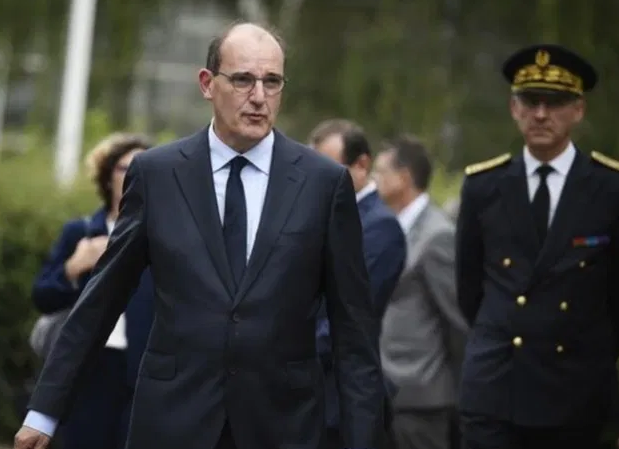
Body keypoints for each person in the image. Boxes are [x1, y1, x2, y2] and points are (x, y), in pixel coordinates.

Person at [14, 22, 385, 449]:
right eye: (243, 80)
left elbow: (354, 332)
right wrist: (44, 413)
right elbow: (101, 300)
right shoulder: (158, 174)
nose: (259, 97)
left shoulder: (324, 183)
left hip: (282, 425)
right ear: (207, 84)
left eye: (272, 81)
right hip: (173, 422)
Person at [456, 44, 619, 449]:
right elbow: (469, 290)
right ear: (514, 108)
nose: (541, 114)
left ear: (578, 110)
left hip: (575, 389)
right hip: (497, 386)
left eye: (555, 102)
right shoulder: (484, 186)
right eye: (530, 102)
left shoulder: (608, 188)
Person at [28, 132, 155, 449]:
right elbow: (43, 296)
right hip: (91, 367)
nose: (134, 175)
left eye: (143, 167)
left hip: (146, 369)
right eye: (125, 167)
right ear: (108, 176)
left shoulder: (164, 234)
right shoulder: (82, 231)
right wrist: (74, 266)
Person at [309, 119, 406, 449]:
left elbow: (351, 316)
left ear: (361, 165)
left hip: (341, 397)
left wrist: (286, 350)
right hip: (307, 394)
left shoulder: (380, 228)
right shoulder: (324, 214)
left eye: (328, 169)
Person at [373, 134, 468, 449]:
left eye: (380, 172)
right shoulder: (391, 227)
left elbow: (458, 321)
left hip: (421, 399)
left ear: (403, 178)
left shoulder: (437, 235)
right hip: (385, 393)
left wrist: (459, 395)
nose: (374, 180)